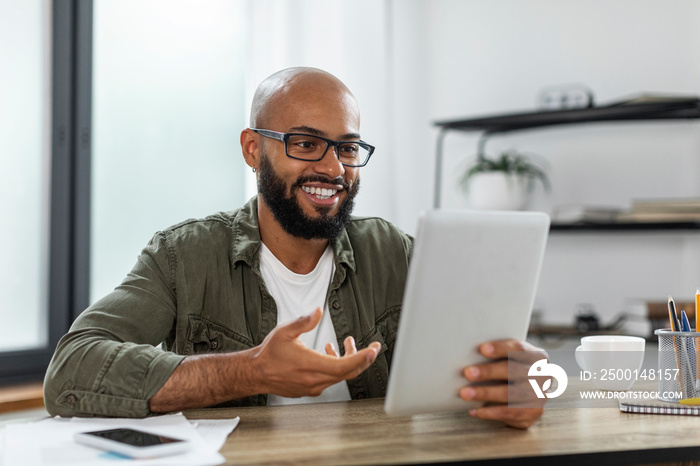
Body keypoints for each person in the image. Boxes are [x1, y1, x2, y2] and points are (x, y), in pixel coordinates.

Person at [44, 67, 546, 429]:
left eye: (347, 147)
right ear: (252, 149)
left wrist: (532, 385)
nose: (332, 168)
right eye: (305, 143)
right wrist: (248, 371)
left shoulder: (396, 253)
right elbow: (71, 369)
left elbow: (504, 369)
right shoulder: (183, 256)